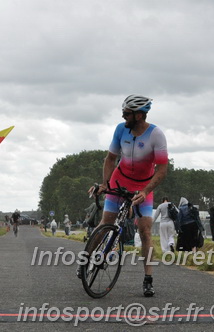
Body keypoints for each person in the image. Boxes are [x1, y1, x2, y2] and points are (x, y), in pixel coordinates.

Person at [87, 94, 168, 297]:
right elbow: (111, 158)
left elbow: (162, 168)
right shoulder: (120, 129)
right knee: (106, 222)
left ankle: (148, 279)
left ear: (139, 115)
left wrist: (146, 191)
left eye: (127, 113)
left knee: (145, 231)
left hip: (143, 187)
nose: (123, 116)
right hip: (119, 180)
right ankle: (86, 259)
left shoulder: (156, 135)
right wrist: (105, 183)